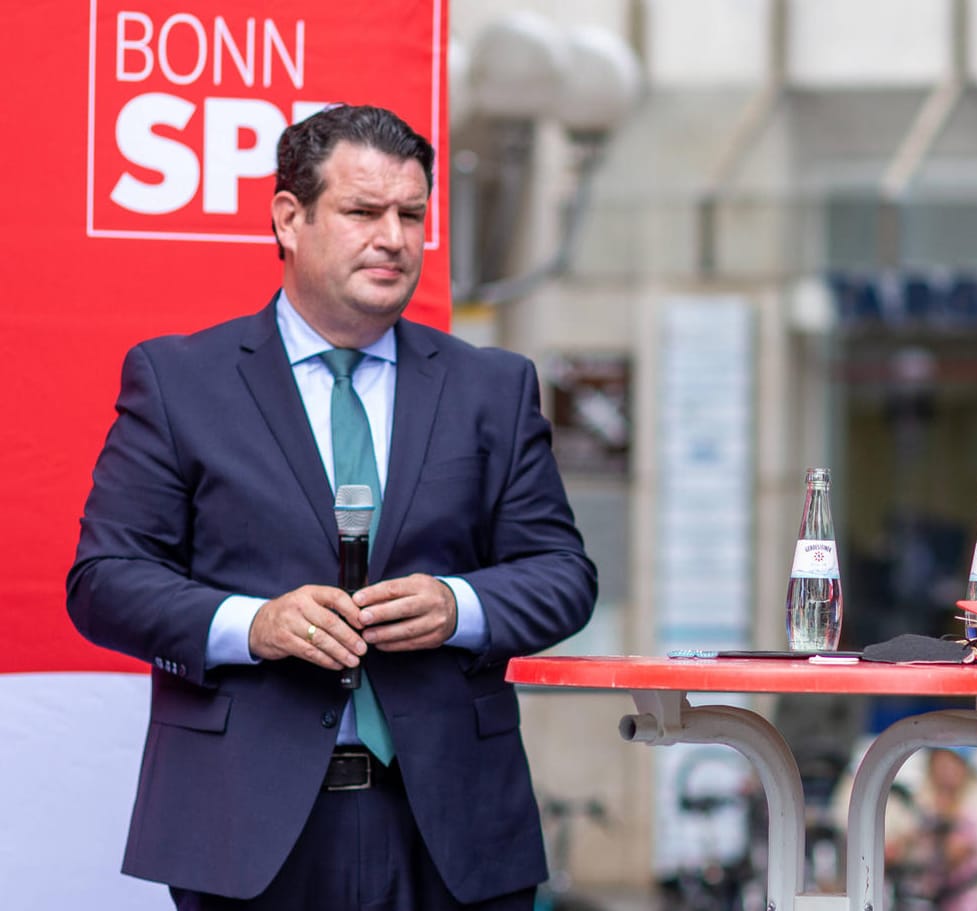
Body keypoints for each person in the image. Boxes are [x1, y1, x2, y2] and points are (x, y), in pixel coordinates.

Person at [66, 104, 598, 910]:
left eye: (411, 215)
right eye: (362, 211)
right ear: (290, 218)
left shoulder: (492, 387)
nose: (393, 237)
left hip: (454, 825)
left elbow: (563, 574)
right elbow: (104, 580)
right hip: (245, 825)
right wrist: (253, 624)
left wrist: (458, 604)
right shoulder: (181, 382)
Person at [884, 748, 977, 911]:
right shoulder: (918, 808)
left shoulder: (971, 814)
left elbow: (952, 857)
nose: (946, 771)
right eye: (940, 762)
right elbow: (890, 854)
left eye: (952, 764)